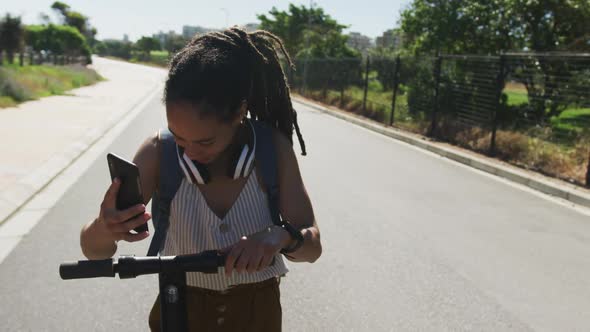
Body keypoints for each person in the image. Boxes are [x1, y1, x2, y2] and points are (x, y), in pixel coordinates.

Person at [79, 27, 322, 331]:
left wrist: (282, 235)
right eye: (179, 138)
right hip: (178, 311)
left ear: (239, 113)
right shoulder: (157, 153)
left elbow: (313, 247)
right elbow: (92, 250)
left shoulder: (273, 149)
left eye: (205, 142)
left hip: (258, 313)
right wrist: (105, 228)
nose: (189, 154)